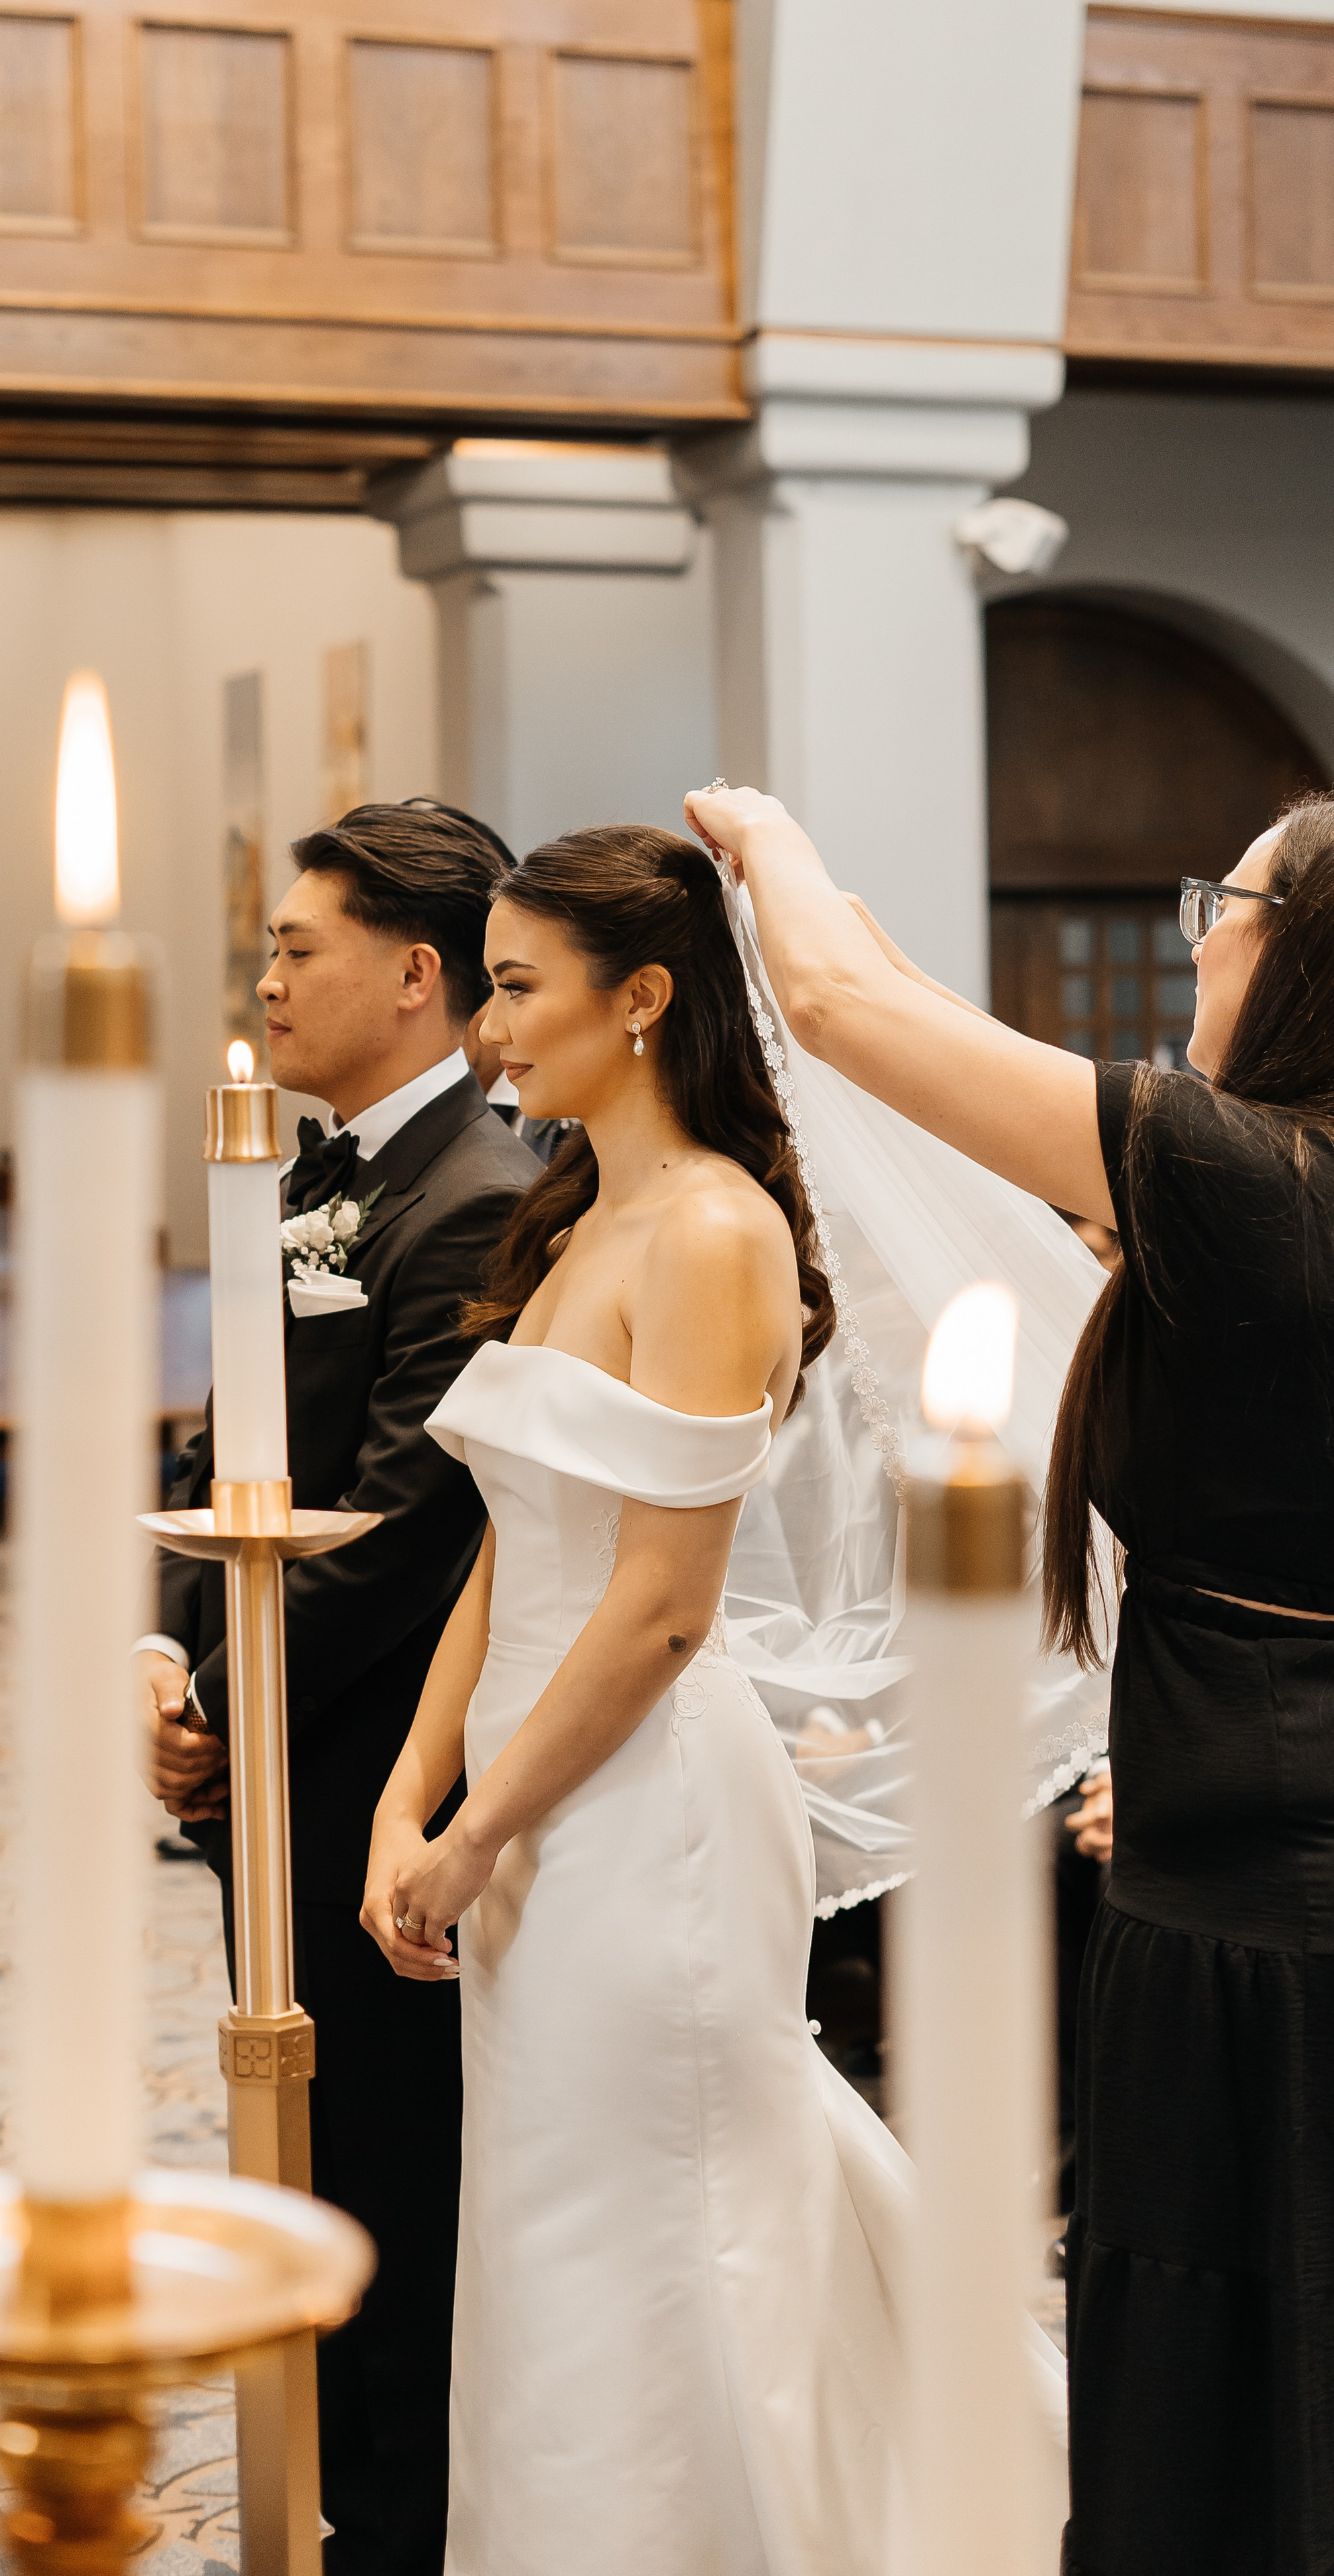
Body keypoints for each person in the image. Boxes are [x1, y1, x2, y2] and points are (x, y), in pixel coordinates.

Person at [687, 780, 1334, 2576]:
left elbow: (845, 1012)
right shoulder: (1261, 1175)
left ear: (1306, 956)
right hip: (1234, 1824)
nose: (1198, 941)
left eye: (1226, 906)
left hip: (1252, 1911)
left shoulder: (1238, 1176)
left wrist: (764, 835)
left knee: (1229, 2367)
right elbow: (900, 999)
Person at [360, 826, 932, 2574]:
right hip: (534, 1788)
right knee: (549, 2221)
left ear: (645, 998)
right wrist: (408, 1790)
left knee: (651, 2215)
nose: (487, 1027)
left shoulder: (713, 1230)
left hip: (647, 1808)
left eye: (517, 986)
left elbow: (666, 1609)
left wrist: (479, 1831)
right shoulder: (581, 1215)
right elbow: (509, 1550)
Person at [140, 800, 540, 2576]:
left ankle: (394, 2529)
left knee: (388, 2164)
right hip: (270, 1750)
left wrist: (226, 1705)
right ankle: (321, 2493)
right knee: (294, 2156)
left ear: (414, 973)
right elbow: (219, 1450)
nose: (269, 981)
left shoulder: (479, 1201)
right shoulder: (299, 1183)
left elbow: (400, 1520)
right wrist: (169, 1660)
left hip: (380, 1768)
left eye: (298, 949)